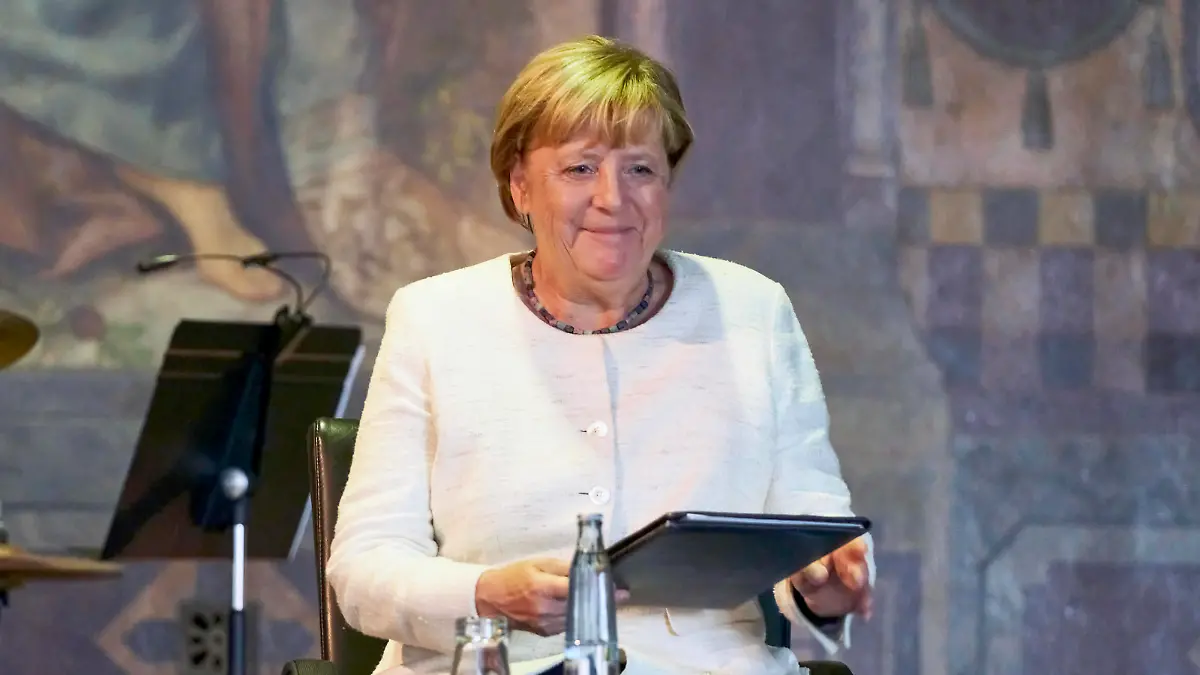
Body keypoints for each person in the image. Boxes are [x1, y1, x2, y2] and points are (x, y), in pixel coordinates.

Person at [327, 35, 875, 675]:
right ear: (521, 186)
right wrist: (488, 595)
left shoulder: (755, 310)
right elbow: (363, 569)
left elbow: (814, 531)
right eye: (580, 168)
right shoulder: (434, 318)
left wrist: (826, 584)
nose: (614, 199)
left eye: (640, 168)